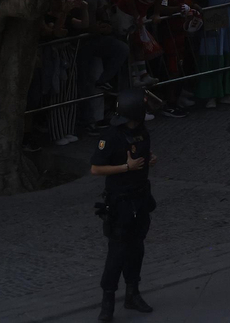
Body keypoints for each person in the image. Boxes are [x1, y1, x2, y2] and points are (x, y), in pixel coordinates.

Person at [90, 88, 155, 321]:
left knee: (137, 249)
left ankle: (132, 294)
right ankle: (107, 302)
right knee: (117, 252)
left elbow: (142, 154)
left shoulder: (141, 131)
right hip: (121, 203)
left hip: (140, 198)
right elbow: (96, 169)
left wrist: (149, 159)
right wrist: (126, 168)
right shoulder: (111, 136)